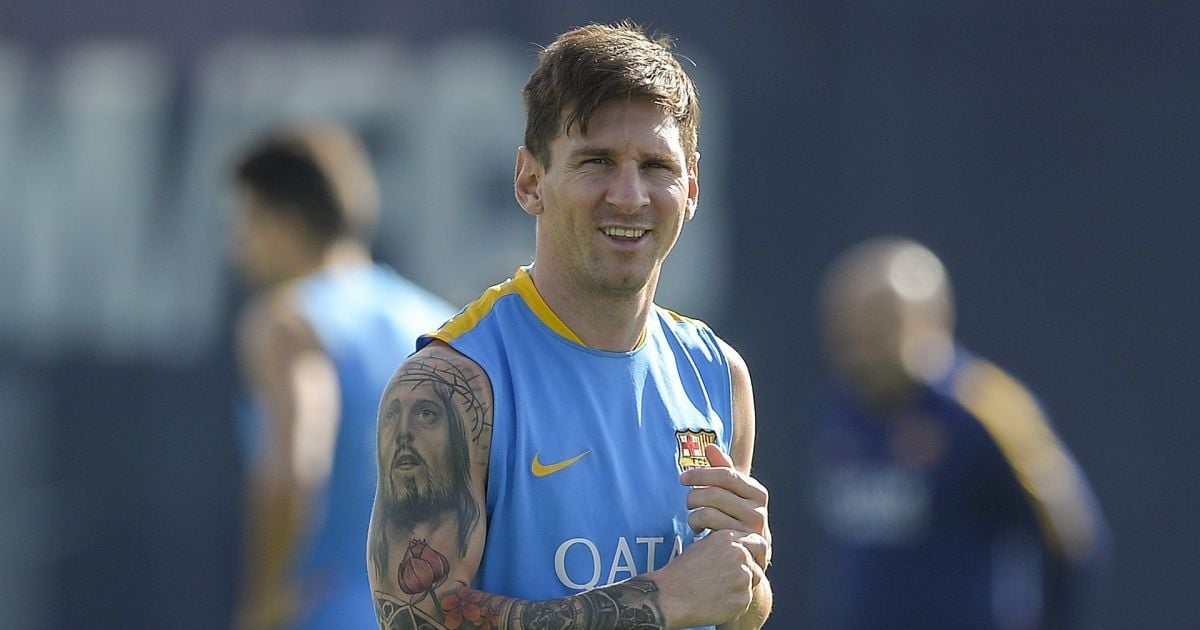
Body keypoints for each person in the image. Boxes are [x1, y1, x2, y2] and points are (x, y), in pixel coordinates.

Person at [368, 22, 773, 630]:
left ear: (691, 189)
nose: (630, 196)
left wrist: (746, 579)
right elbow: (415, 620)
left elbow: (730, 607)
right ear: (530, 181)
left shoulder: (717, 373)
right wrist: (662, 600)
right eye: (596, 162)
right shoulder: (452, 386)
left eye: (656, 166)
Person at [807, 236, 1110, 630]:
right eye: (845, 327)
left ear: (927, 320)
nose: (859, 345)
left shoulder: (984, 407)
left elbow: (1070, 537)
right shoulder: (836, 411)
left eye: (877, 324)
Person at [229, 122, 455, 629]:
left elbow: (297, 466)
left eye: (244, 223)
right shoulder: (440, 324)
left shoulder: (289, 320)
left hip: (326, 611)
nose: (235, 247)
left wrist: (262, 604)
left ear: (284, 225)